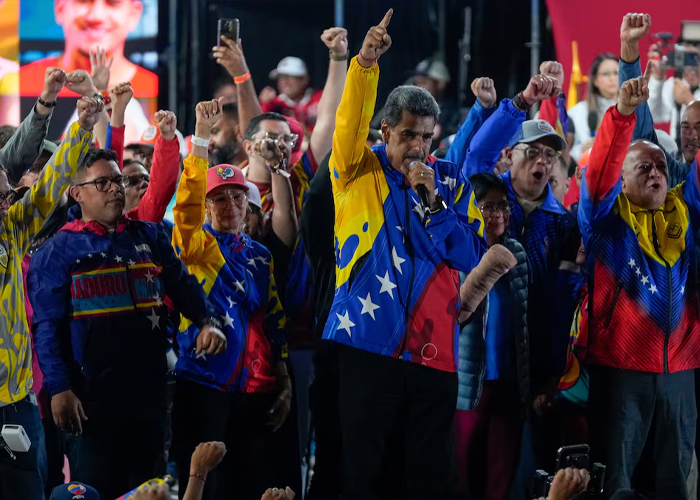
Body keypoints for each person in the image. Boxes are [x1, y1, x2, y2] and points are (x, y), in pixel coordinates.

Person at [324, 10, 486, 498]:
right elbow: (348, 122)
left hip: (433, 351)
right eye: (408, 135)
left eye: (426, 137)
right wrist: (365, 64)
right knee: (362, 473)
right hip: (365, 343)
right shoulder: (354, 169)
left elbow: (469, 254)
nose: (418, 147)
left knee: (425, 479)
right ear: (385, 133)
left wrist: (434, 204)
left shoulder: (451, 181)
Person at [28, 143, 225, 498]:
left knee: (149, 492)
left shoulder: (149, 236)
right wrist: (59, 389)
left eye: (118, 180)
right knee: (95, 491)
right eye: (103, 183)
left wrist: (208, 321)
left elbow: (182, 285)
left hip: (148, 398)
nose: (116, 189)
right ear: (77, 193)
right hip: (90, 405)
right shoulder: (55, 252)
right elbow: (47, 327)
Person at [579, 58, 700, 498]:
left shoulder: (686, 217)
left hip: (682, 372)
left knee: (674, 484)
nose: (655, 173)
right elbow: (600, 171)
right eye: (643, 168)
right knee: (617, 485)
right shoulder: (604, 219)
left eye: (661, 168)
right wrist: (622, 117)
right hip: (621, 369)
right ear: (622, 181)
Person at [171, 98, 292, 500]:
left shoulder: (260, 256)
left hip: (252, 390)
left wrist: (284, 379)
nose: (230, 206)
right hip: (203, 383)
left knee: (247, 483)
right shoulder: (196, 245)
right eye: (219, 198)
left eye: (237, 197)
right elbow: (184, 211)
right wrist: (200, 141)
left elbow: (274, 320)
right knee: (203, 484)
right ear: (207, 206)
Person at [0, 68, 96, 500]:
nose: (10, 201)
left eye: (8, 195)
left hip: (16, 401)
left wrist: (83, 128)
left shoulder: (13, 228)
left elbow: (49, 185)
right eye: (3, 195)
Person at [455, 173, 529, 500]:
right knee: (463, 470)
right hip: (469, 386)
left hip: (510, 383)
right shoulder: (457, 252)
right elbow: (451, 317)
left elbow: (526, 322)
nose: (497, 214)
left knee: (502, 474)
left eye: (503, 206)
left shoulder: (518, 253)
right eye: (488, 207)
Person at [0, 1, 155, 135]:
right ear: (60, 8)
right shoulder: (18, 82)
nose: (96, 16)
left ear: (135, 13)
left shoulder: (152, 85)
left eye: (113, 2)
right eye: (83, 1)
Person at [618, 14, 694, 188]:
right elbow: (644, 134)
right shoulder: (678, 179)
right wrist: (629, 47)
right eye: (686, 127)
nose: (694, 135)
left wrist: (689, 100)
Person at [647, 39, 700, 147]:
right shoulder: (673, 84)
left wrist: (690, 102)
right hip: (678, 157)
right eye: (686, 58)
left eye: (695, 58)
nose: (690, 67)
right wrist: (657, 78)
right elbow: (654, 115)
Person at [568, 53, 619, 161]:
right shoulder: (579, 111)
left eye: (616, 73)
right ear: (595, 80)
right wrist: (583, 150)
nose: (612, 78)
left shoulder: (633, 109)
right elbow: (567, 151)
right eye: (606, 74)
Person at [260, 56, 323, 134]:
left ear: (304, 79)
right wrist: (265, 105)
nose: (284, 82)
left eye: (289, 77)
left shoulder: (321, 98)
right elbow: (259, 130)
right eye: (281, 77)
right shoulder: (275, 104)